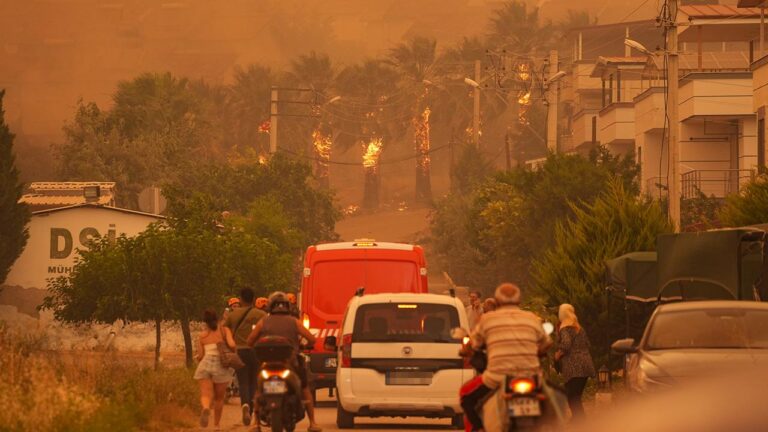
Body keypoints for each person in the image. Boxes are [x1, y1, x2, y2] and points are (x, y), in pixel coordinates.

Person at [460, 283, 552, 432]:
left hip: (497, 377)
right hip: (531, 376)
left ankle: (480, 428)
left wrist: (467, 350)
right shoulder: (532, 318)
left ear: (497, 302)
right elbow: (547, 343)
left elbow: (474, 344)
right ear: (519, 301)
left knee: (465, 395)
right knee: (553, 398)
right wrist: (538, 352)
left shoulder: (487, 320)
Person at [247, 292, 322, 432]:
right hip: (290, 363)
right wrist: (303, 345)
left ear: (270, 306)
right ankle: (312, 422)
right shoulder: (294, 322)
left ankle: (255, 422)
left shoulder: (263, 321)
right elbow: (312, 339)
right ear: (288, 306)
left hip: (266, 364)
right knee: (305, 387)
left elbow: (250, 340)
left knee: (258, 389)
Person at [224, 287, 267, 426]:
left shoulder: (233, 314)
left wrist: (231, 343)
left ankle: (245, 405)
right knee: (254, 379)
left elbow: (226, 330)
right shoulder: (261, 314)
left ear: (241, 299)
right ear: (253, 299)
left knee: (242, 380)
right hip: (256, 351)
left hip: (240, 351)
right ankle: (253, 407)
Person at [194, 309, 237, 430]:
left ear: (205, 322)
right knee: (219, 398)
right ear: (217, 319)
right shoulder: (225, 331)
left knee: (205, 394)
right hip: (220, 365)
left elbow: (201, 355)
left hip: (205, 364)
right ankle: (217, 425)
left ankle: (206, 408)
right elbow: (232, 345)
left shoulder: (202, 336)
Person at [555, 303, 595, 419]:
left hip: (574, 366)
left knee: (572, 396)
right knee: (576, 396)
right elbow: (588, 343)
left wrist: (558, 354)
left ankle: (579, 421)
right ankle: (578, 419)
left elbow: (566, 344)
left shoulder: (565, 327)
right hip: (586, 364)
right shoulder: (578, 326)